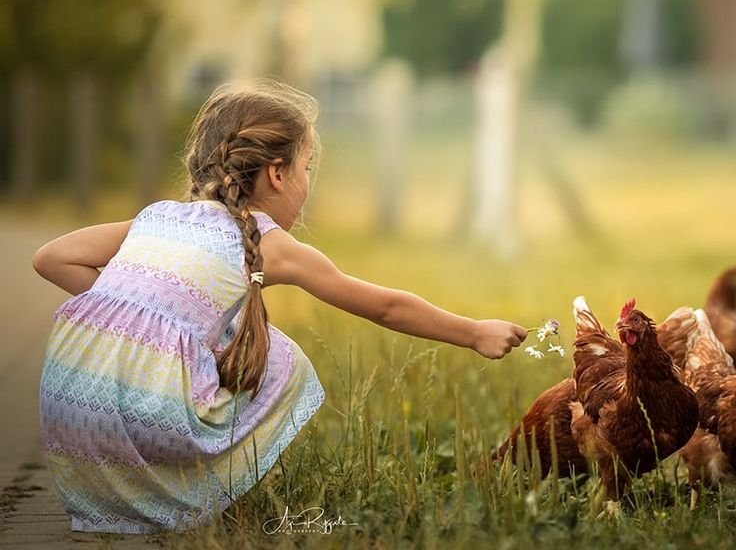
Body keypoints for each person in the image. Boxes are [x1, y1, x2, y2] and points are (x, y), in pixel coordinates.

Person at [32, 79, 527, 534]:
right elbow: (385, 307)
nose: (307, 181)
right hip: (146, 413)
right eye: (306, 167)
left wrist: (133, 322)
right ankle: (192, 500)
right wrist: (474, 332)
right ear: (276, 174)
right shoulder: (271, 243)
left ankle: (122, 501)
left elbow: (51, 258)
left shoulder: (156, 216)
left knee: (224, 340)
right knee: (276, 358)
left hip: (67, 409)